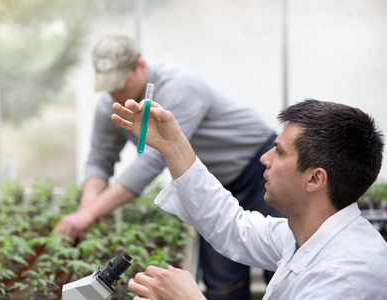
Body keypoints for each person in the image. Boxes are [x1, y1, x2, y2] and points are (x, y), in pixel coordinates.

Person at [54, 35, 283, 299]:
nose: (113, 92)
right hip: (210, 186)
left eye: (119, 83)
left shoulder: (178, 87)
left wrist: (90, 214)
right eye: (107, 86)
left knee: (278, 266)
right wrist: (85, 209)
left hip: (257, 172)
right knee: (222, 278)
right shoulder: (110, 105)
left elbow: (153, 160)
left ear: (140, 66)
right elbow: (99, 159)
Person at [111, 98, 387, 299]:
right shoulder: (306, 235)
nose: (264, 158)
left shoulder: (346, 279)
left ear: (315, 179)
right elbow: (233, 227)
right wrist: (172, 145)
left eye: (279, 152)